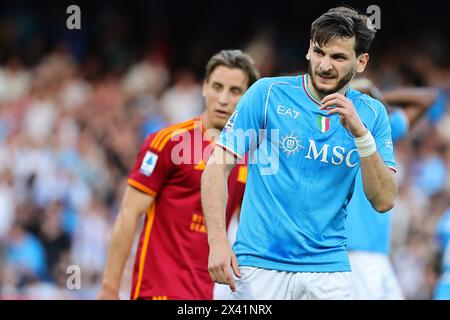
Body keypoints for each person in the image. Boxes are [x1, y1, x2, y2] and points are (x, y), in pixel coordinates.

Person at [201, 6, 398, 300]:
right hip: (258, 265)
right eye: (319, 52)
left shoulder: (371, 114)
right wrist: (217, 241)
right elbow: (217, 167)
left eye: (339, 57)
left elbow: (383, 200)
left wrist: (361, 135)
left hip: (328, 269)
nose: (325, 65)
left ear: (361, 62)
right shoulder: (266, 94)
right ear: (308, 50)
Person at [98, 50, 259, 300]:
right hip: (157, 291)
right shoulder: (168, 143)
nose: (224, 99)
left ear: (249, 97)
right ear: (204, 88)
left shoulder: (248, 160)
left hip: (205, 295)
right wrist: (109, 288)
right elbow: (129, 214)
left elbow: (251, 230)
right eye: (217, 86)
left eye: (235, 91)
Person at [347, 78, 439, 299]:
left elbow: (428, 98)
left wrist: (372, 96)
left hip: (376, 251)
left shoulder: (377, 129)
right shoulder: (331, 132)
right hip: (354, 250)